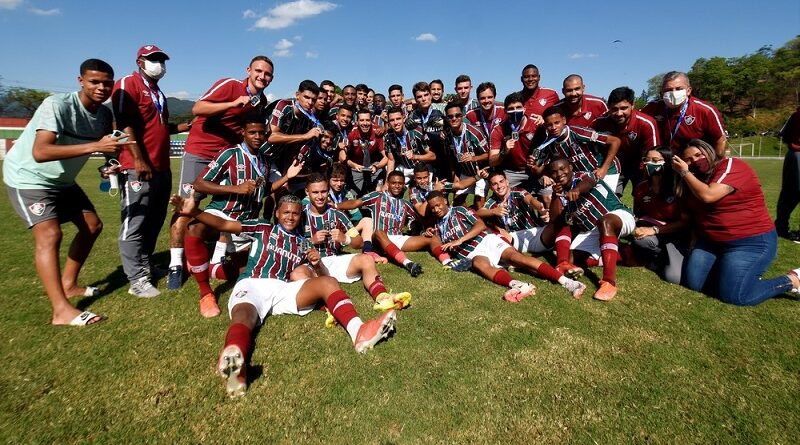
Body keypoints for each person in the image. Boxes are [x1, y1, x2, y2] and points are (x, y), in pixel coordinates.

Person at [171, 192, 398, 398]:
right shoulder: (262, 228)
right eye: (286, 212)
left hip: (282, 289)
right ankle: (235, 361)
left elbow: (314, 274)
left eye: (296, 214)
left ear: (301, 216)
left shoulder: (302, 243)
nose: (291, 217)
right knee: (245, 317)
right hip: (254, 284)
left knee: (328, 281)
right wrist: (195, 212)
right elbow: (224, 224)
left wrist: (317, 265)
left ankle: (359, 331)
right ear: (277, 213)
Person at [3, 58, 131, 326]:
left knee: (92, 226)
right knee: (50, 234)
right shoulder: (57, 105)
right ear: (80, 81)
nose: (101, 88)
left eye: (107, 83)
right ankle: (60, 310)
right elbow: (41, 152)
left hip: (63, 182)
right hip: (29, 178)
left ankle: (69, 284)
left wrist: (108, 165)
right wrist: (95, 146)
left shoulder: (104, 115)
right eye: (94, 82)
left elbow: (107, 147)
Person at [168, 55, 274, 289]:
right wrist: (232, 103)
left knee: (228, 207)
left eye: (267, 74)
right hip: (202, 152)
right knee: (186, 207)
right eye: (258, 71)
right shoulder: (230, 85)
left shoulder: (261, 100)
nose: (262, 77)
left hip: (230, 156)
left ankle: (217, 257)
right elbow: (198, 108)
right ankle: (175, 264)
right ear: (248, 70)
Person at [184, 118, 302, 317]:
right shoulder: (230, 154)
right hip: (222, 213)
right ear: (243, 133)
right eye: (252, 132)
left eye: (261, 133)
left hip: (246, 223)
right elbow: (199, 183)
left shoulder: (265, 160)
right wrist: (234, 189)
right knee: (194, 227)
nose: (257, 137)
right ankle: (205, 293)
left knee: (251, 272)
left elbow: (265, 191)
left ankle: (208, 269)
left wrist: (287, 177)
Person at [672, 139, 800, 305]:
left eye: (699, 155)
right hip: (710, 242)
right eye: (688, 159)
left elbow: (708, 195)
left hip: (749, 242)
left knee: (736, 296)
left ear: (710, 152)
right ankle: (732, 274)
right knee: (695, 284)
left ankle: (791, 280)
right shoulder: (690, 181)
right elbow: (694, 214)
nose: (695, 161)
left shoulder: (731, 166)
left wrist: (684, 172)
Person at [112, 44, 191, 298]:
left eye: (161, 59)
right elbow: (124, 124)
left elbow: (161, 127)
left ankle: (146, 265)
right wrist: (138, 159)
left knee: (155, 220)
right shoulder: (128, 84)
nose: (159, 63)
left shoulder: (158, 92)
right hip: (138, 167)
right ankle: (136, 280)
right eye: (153, 59)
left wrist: (190, 125)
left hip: (161, 167)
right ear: (139, 62)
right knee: (135, 222)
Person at [425, 191, 586, 301]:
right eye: (433, 208)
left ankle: (567, 282)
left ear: (445, 201)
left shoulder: (459, 210)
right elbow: (437, 243)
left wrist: (460, 241)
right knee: (479, 263)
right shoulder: (438, 226)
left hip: (486, 240)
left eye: (438, 205)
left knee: (517, 258)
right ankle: (519, 285)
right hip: (472, 254)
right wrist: (430, 233)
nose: (436, 209)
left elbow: (480, 225)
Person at [301, 173, 412, 312]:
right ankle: (326, 307)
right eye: (315, 192)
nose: (320, 196)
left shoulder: (338, 214)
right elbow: (289, 244)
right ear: (307, 192)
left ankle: (383, 298)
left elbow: (359, 242)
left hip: (333, 261)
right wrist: (312, 241)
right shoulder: (299, 214)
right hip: (311, 264)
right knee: (297, 274)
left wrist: (345, 239)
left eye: (323, 191)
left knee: (366, 259)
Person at [337, 171, 466, 275]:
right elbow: (355, 203)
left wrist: (425, 230)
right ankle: (408, 263)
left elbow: (421, 220)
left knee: (432, 238)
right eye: (393, 183)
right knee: (378, 232)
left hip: (397, 238)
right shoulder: (377, 196)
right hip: (379, 238)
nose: (397, 186)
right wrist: (336, 206)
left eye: (400, 183)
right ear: (388, 183)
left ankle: (448, 262)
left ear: (404, 185)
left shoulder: (405, 204)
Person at [546, 157, 636, 301]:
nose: (560, 174)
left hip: (618, 216)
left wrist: (577, 189)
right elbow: (556, 221)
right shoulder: (560, 192)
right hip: (593, 230)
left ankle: (609, 282)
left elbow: (590, 182)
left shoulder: (582, 177)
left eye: (563, 168)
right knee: (571, 258)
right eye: (554, 172)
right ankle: (620, 253)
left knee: (605, 221)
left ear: (570, 167)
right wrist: (555, 196)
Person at [630, 146, 688, 284]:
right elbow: (638, 213)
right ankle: (657, 256)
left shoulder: (679, 187)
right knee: (640, 240)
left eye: (655, 160)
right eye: (647, 160)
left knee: (673, 278)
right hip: (653, 235)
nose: (649, 164)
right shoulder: (641, 187)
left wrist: (655, 229)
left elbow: (684, 222)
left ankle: (663, 258)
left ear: (668, 162)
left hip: (675, 236)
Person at [531, 106, 622, 193]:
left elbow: (615, 141)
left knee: (605, 202)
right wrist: (534, 167)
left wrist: (604, 168)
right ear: (545, 126)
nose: (554, 127)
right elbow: (541, 169)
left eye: (557, 123)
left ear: (564, 120)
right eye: (549, 125)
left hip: (607, 169)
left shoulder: (579, 133)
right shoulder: (549, 144)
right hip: (586, 178)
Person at [593, 86, 660, 195]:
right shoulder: (599, 123)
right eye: (614, 109)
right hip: (614, 166)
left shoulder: (646, 123)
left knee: (644, 197)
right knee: (608, 198)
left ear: (632, 105)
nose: (619, 113)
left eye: (624, 108)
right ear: (609, 107)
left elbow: (653, 154)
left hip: (640, 167)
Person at [641, 71, 727, 156]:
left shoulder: (705, 110)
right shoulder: (651, 108)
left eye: (679, 89)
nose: (673, 93)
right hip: (663, 160)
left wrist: (716, 164)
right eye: (668, 90)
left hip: (694, 161)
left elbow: (720, 139)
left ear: (688, 90)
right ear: (662, 92)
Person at [476, 170, 550, 255]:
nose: (499, 186)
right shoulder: (492, 201)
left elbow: (530, 200)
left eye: (501, 181)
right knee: (494, 229)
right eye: (494, 184)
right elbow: (479, 212)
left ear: (507, 182)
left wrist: (541, 208)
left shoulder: (518, 192)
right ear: (491, 188)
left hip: (532, 233)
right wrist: (493, 211)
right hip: (514, 238)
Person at [489, 92, 541, 190]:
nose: (515, 111)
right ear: (505, 111)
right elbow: (492, 162)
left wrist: (543, 171)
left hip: (534, 170)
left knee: (548, 197)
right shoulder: (499, 129)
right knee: (504, 195)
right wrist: (504, 151)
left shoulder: (536, 124)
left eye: (518, 107)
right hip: (511, 172)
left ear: (524, 108)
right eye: (511, 109)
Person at [442, 101, 490, 208]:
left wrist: (474, 158)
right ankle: (471, 217)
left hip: (481, 172)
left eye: (457, 115)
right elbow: (450, 157)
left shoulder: (475, 132)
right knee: (458, 204)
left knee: (479, 205)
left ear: (462, 115)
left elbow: (489, 154)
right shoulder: (447, 135)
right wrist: (455, 175)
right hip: (465, 173)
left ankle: (483, 221)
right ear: (446, 118)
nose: (454, 118)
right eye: (450, 116)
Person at [340, 108, 388, 196]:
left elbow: (386, 157)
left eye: (367, 120)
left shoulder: (377, 132)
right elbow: (342, 156)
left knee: (378, 193)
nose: (365, 123)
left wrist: (377, 166)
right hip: (356, 167)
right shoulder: (351, 133)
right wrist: (354, 165)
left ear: (371, 121)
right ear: (357, 122)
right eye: (361, 120)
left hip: (373, 166)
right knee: (355, 196)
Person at [407, 81, 448, 180]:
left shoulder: (441, 111)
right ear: (416, 100)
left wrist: (446, 132)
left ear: (430, 95)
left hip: (444, 158)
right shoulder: (414, 115)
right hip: (426, 159)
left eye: (426, 95)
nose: (424, 99)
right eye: (420, 97)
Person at [384, 106, 435, 184]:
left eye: (398, 119)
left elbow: (432, 156)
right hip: (405, 169)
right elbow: (391, 160)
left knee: (425, 190)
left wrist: (415, 156)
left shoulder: (417, 131)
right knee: (392, 186)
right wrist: (387, 183)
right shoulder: (388, 137)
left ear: (404, 118)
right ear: (388, 122)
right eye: (392, 120)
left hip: (422, 168)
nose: (395, 123)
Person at [775, 107, 800, 241]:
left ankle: (781, 227)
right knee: (790, 192)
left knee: (788, 193)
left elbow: (784, 135)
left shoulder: (795, 115)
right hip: (797, 155)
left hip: (794, 154)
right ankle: (781, 227)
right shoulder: (796, 115)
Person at [519, 64, 560, 130]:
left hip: (546, 138)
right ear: (521, 79)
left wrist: (545, 120)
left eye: (534, 76)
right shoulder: (516, 98)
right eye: (526, 77)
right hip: (522, 139)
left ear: (539, 77)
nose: (530, 79)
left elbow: (560, 116)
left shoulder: (551, 94)